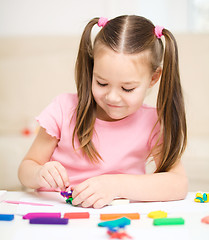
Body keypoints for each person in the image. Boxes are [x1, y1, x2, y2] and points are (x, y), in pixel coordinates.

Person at [18, 15, 188, 208]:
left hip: (117, 219)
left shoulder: (153, 122)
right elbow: (25, 170)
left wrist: (116, 185)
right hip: (56, 214)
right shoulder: (63, 109)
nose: (112, 97)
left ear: (153, 78)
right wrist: (39, 174)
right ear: (92, 69)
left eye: (127, 88)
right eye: (102, 83)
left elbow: (178, 183)